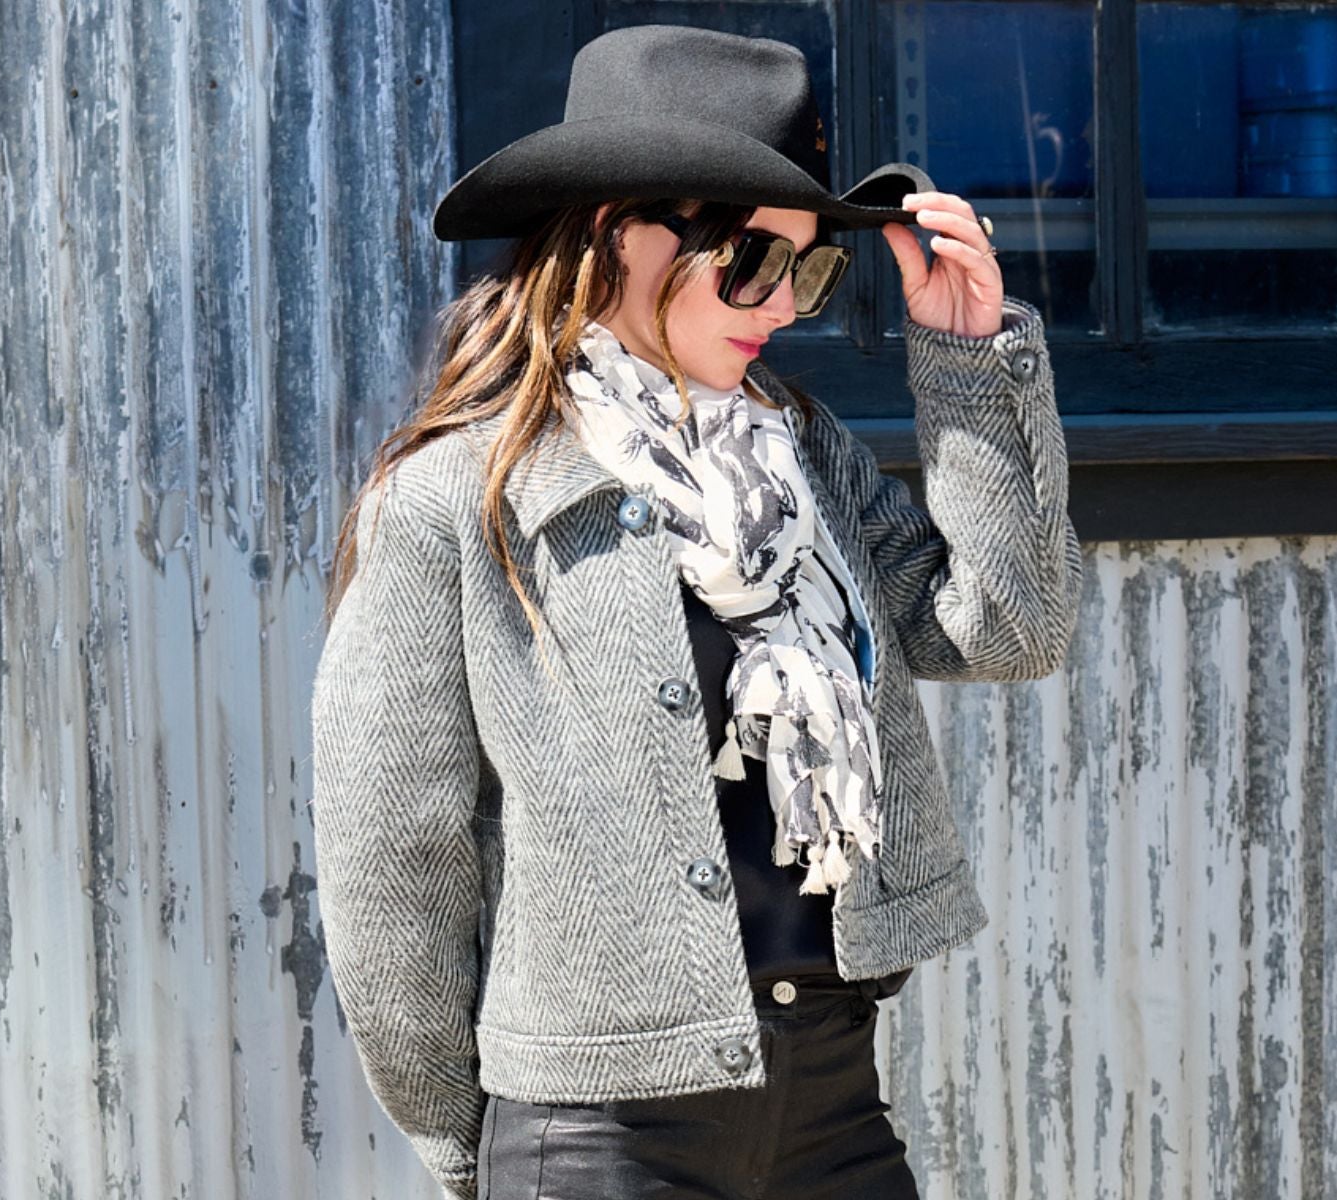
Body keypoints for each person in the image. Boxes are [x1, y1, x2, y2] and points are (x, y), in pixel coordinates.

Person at [310, 25, 1078, 1199]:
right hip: (596, 1132)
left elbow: (1005, 630)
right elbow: (395, 863)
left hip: (830, 1100)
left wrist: (966, 367)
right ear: (623, 236)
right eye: (751, 262)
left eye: (810, 269)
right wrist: (471, 1148)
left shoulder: (798, 457)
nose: (782, 303)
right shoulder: (454, 500)